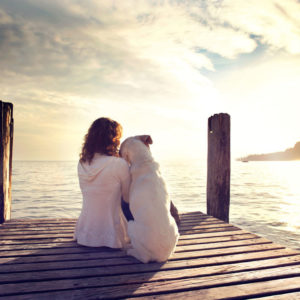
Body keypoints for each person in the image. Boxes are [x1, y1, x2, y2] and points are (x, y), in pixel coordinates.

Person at [74, 117, 131, 248]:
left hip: (84, 234)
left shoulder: (82, 162)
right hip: (113, 237)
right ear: (113, 139)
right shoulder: (119, 164)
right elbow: (127, 198)